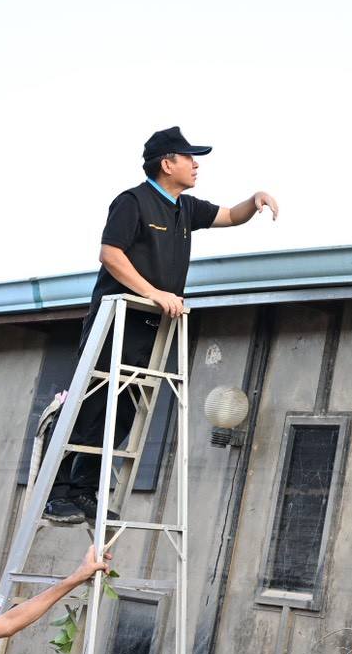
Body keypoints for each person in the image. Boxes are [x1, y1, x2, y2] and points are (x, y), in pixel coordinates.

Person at [43, 126, 279, 524]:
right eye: (188, 158)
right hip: (116, 321)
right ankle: (56, 492)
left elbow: (229, 215)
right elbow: (110, 254)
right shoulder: (133, 201)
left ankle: (84, 489)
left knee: (125, 407)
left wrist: (255, 200)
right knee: (94, 404)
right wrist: (154, 292)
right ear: (167, 164)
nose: (195, 164)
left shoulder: (185, 207)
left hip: (151, 326)